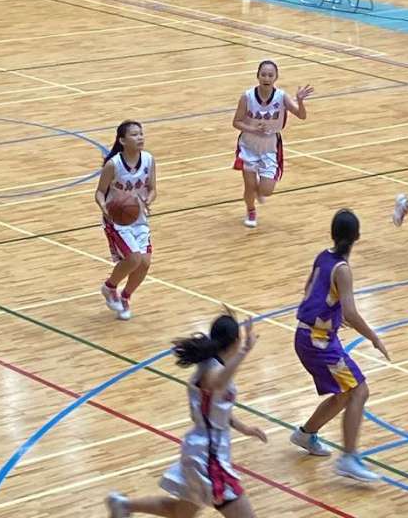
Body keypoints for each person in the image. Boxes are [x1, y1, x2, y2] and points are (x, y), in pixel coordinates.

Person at [106, 310, 267, 517]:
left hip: (201, 448)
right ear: (236, 341)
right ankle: (123, 505)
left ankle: (123, 505)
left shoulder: (212, 364)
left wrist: (244, 428)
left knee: (181, 512)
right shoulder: (211, 370)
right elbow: (218, 383)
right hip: (208, 455)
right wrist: (244, 351)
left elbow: (217, 408)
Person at [290, 209, 390, 482]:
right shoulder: (343, 270)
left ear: (333, 234)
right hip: (317, 342)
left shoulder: (323, 256)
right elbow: (351, 313)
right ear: (357, 237)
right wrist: (374, 337)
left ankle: (306, 434)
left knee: (345, 393)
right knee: (360, 390)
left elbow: (309, 291)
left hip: (308, 335)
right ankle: (348, 458)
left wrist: (330, 314)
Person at [232, 60, 313, 228]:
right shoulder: (247, 97)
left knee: (267, 190)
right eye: (263, 74)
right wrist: (253, 129)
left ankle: (259, 191)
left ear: (276, 77)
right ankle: (251, 210)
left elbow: (301, 115)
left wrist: (300, 101)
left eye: (270, 75)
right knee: (249, 186)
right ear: (258, 76)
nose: (266, 78)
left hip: (270, 146)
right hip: (248, 144)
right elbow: (236, 122)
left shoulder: (281, 97)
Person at [95, 120, 156, 321]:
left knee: (144, 263)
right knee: (133, 258)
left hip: (139, 218)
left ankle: (125, 296)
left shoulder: (148, 160)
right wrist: (104, 207)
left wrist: (148, 200)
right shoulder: (113, 164)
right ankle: (109, 286)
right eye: (134, 134)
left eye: (141, 134)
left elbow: (152, 189)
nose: (140, 137)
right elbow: (100, 192)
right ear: (122, 140)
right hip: (117, 220)